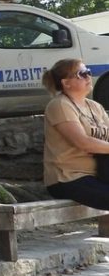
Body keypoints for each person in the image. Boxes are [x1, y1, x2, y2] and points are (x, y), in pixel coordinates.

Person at [42, 59, 109, 209]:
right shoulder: (60, 105)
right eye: (82, 74)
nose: (88, 77)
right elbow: (83, 142)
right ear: (66, 83)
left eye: (89, 72)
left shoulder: (95, 107)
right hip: (68, 178)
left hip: (98, 174)